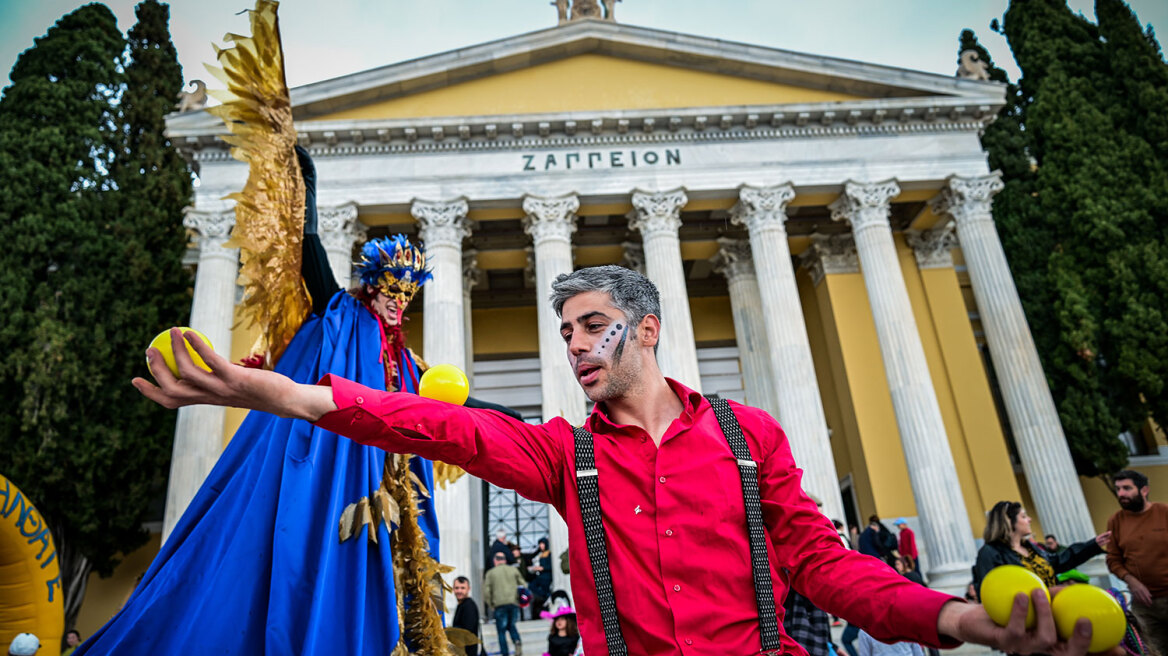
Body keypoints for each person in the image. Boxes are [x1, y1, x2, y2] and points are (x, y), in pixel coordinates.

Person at [137, 264, 1113, 656]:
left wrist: (951, 614)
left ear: (647, 329)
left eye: (593, 325)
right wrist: (267, 391)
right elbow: (423, 425)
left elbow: (824, 567)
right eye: (565, 331)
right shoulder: (564, 458)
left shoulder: (748, 440)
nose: (574, 345)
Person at [972, 500, 1110, 595]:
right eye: (1024, 516)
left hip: (1053, 609)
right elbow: (989, 590)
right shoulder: (990, 552)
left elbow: (1058, 561)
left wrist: (1093, 545)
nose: (1030, 520)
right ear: (1009, 522)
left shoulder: (1031, 548)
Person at [1106, 469, 1168, 656]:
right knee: (1152, 651)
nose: (1121, 494)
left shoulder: (1163, 512)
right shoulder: (1115, 521)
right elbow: (1113, 560)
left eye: (1127, 488)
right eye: (1118, 489)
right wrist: (1132, 582)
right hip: (1143, 605)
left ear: (1144, 490)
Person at [483, 552, 525, 656]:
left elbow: (487, 591)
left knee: (501, 631)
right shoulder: (513, 570)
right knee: (512, 625)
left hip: (499, 605)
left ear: (495, 561)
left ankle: (505, 653)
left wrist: (491, 604)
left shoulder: (491, 573)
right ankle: (516, 641)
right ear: (505, 560)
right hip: (513, 603)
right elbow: (523, 585)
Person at [452, 576, 481, 656]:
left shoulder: (468, 606)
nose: (459, 591)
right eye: (457, 588)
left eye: (463, 588)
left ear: (468, 589)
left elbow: (467, 632)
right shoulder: (462, 605)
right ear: (453, 589)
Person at [528, 537, 553, 619]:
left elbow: (550, 566)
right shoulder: (541, 555)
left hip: (546, 576)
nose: (541, 546)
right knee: (531, 585)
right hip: (541, 576)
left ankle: (546, 597)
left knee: (542, 588)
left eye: (542, 544)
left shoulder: (549, 554)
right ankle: (545, 596)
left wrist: (541, 568)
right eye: (540, 544)